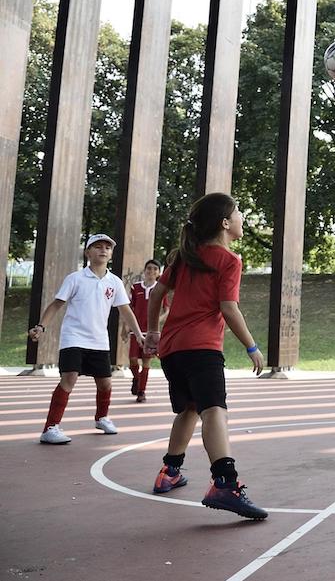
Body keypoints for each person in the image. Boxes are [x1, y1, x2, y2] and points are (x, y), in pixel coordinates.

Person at [143, 193, 267, 519]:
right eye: (238, 213)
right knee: (214, 412)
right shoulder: (229, 260)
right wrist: (251, 346)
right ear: (225, 223)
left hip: (172, 350)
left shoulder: (185, 256)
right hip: (202, 348)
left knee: (189, 408)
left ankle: (169, 471)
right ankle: (225, 483)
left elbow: (156, 294)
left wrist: (153, 332)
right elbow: (229, 308)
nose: (242, 218)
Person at [31, 234, 145, 444]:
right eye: (98, 246)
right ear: (87, 253)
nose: (103, 250)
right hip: (73, 337)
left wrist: (138, 334)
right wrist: (41, 326)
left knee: (105, 384)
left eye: (107, 248)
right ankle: (50, 428)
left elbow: (125, 310)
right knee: (69, 378)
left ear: (111, 254)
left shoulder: (115, 282)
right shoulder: (75, 278)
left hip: (99, 340)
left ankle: (102, 418)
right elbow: (56, 304)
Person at [127, 259, 168, 403]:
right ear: (144, 271)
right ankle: (136, 379)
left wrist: (157, 320)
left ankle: (141, 391)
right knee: (132, 359)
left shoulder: (161, 288)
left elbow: (167, 310)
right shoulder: (136, 287)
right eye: (149, 268)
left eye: (155, 269)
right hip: (136, 330)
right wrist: (125, 326)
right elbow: (129, 308)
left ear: (159, 272)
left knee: (146, 361)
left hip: (151, 331)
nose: (151, 271)